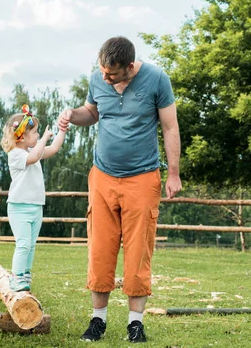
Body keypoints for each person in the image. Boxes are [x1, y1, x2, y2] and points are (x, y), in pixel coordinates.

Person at [57, 36, 182, 343]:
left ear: (129, 67)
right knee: (100, 248)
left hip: (142, 178)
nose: (105, 77)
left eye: (111, 73)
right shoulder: (98, 78)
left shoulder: (156, 79)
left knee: (139, 250)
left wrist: (174, 174)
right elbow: (93, 112)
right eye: (102, 70)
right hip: (102, 177)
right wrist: (73, 115)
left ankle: (135, 324)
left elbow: (170, 127)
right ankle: (97, 321)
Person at [0, 104, 66, 292]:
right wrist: (43, 138)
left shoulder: (31, 151)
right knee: (23, 244)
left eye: (38, 133)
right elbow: (36, 156)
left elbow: (52, 149)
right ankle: (16, 277)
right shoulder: (16, 155)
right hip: (19, 207)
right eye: (35, 132)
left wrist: (61, 131)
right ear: (22, 136)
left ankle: (25, 274)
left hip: (36, 207)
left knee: (31, 245)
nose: (38, 135)